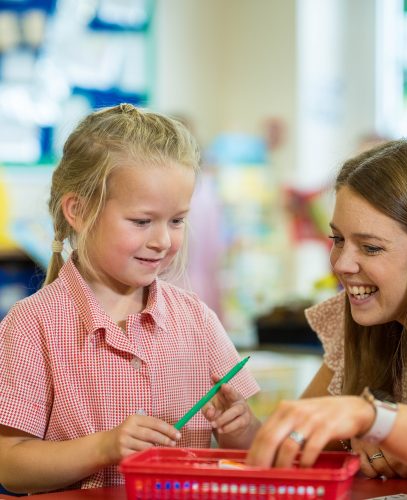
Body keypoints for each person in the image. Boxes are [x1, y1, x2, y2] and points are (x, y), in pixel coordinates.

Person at [0, 104, 260, 493]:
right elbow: (10, 464)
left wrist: (240, 429)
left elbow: (252, 448)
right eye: (142, 221)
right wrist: (104, 447)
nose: (163, 241)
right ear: (79, 211)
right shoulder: (32, 324)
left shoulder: (196, 319)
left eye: (177, 220)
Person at [247, 136, 407, 489]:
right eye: (338, 240)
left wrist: (375, 420)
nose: (342, 264)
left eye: (370, 247)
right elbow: (297, 440)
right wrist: (243, 428)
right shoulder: (367, 318)